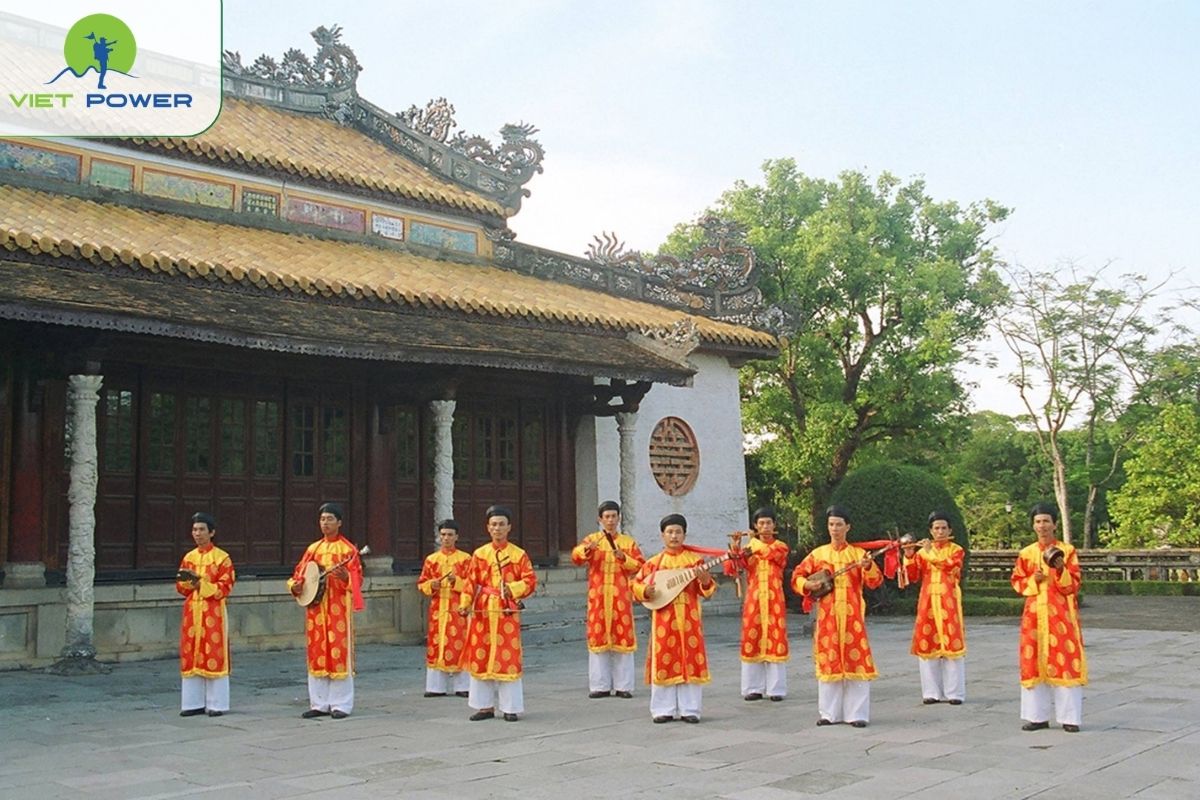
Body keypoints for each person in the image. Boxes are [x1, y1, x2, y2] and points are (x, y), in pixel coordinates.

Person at [791, 505, 883, 728]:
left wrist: (869, 566)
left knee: (856, 663)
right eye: (831, 524)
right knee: (829, 661)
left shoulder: (859, 555)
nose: (834, 528)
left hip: (853, 618)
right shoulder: (818, 554)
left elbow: (875, 581)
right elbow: (796, 577)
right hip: (828, 618)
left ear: (848, 527)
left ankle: (857, 714)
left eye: (839, 524)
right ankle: (829, 713)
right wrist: (808, 584)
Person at [630, 513, 716, 723]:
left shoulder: (694, 561)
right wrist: (645, 592)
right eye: (670, 532)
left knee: (690, 661)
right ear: (662, 535)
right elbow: (635, 584)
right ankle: (662, 709)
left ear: (684, 535)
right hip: (664, 620)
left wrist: (705, 581)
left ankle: (690, 709)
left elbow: (707, 590)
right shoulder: (654, 563)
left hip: (689, 620)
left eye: (678, 531)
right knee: (664, 660)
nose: (674, 536)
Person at [1011, 502, 1087, 733]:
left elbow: (1073, 585)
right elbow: (1017, 581)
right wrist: (1034, 579)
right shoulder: (1026, 553)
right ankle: (1037, 716)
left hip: (1061, 616)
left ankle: (1070, 718)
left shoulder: (1068, 551)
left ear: (1055, 524)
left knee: (1065, 660)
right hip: (1033, 615)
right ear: (1033, 525)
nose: (1041, 525)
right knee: (1033, 661)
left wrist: (1061, 569)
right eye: (1037, 521)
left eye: (1046, 521)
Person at [459, 505, 537, 722]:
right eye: (494, 524)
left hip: (506, 611)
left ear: (509, 527)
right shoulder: (480, 554)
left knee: (507, 657)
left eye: (502, 524)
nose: (497, 528)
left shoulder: (518, 554)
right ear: (488, 527)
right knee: (481, 655)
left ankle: (510, 707)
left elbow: (530, 581)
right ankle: (484, 706)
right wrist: (465, 603)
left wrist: (512, 589)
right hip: (483, 610)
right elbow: (469, 582)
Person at [287, 502, 364, 720]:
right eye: (322, 519)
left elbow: (357, 580)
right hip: (316, 610)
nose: (325, 523)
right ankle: (319, 703)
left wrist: (345, 578)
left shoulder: (348, 550)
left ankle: (341, 704)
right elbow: (299, 574)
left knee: (339, 654)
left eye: (330, 519)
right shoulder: (313, 550)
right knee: (317, 654)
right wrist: (296, 585)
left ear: (339, 523)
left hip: (338, 609)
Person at [570, 500, 645, 698]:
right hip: (598, 597)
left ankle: (624, 686)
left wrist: (624, 558)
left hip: (621, 597)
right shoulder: (592, 540)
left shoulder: (628, 543)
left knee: (623, 641)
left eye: (614, 516)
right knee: (598, 639)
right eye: (607, 517)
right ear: (600, 519)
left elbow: (640, 566)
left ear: (619, 518)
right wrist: (587, 550)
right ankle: (599, 685)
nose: (611, 520)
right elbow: (576, 558)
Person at [175, 512, 235, 717]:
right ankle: (192, 703)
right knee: (191, 653)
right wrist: (188, 583)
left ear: (212, 532)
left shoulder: (222, 558)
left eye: (201, 530)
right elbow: (181, 586)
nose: (197, 534)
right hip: (192, 610)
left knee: (214, 653)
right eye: (194, 530)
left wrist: (201, 584)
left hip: (214, 612)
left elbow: (224, 587)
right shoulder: (189, 557)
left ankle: (217, 704)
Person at [903, 510, 966, 705]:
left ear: (950, 530)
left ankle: (955, 693)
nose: (940, 532)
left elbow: (949, 566)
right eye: (936, 528)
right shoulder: (922, 552)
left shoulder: (956, 550)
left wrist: (929, 552)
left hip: (949, 601)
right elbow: (912, 576)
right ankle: (931, 692)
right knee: (927, 644)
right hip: (928, 601)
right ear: (930, 531)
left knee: (952, 646)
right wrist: (909, 555)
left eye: (943, 528)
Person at [736, 507, 791, 702]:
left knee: (775, 639)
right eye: (761, 524)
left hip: (775, 599)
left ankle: (776, 689)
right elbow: (737, 566)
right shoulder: (750, 548)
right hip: (754, 600)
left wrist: (753, 542)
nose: (765, 527)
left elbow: (769, 554)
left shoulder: (780, 546)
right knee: (753, 638)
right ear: (755, 526)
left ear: (774, 525)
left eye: (768, 523)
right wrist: (737, 548)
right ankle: (753, 688)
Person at [417, 519, 472, 698]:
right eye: (443, 535)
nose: (446, 538)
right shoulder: (432, 560)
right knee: (436, 645)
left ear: (457, 536)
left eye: (449, 535)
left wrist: (456, 582)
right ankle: (435, 686)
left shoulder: (465, 559)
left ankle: (462, 686)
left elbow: (473, 585)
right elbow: (422, 583)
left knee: (460, 643)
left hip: (458, 608)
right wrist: (431, 585)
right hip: (438, 608)